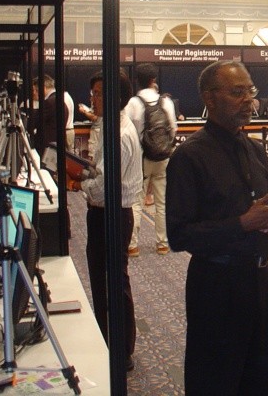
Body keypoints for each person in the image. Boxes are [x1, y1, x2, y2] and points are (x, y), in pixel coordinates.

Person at [166, 61, 268, 395]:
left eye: (250, 91)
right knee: (215, 381)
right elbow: (179, 234)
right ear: (210, 99)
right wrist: (242, 224)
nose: (248, 100)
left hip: (260, 281)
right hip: (216, 287)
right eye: (237, 93)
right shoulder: (189, 157)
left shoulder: (254, 149)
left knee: (256, 377)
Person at [65, 70, 141, 371]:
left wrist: (76, 182)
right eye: (93, 93)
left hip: (111, 215)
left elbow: (102, 187)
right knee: (106, 281)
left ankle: (120, 351)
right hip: (107, 214)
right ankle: (109, 342)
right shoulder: (112, 126)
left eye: (98, 94)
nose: (93, 99)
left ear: (116, 97)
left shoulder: (119, 134)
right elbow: (101, 174)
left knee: (112, 283)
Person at [124, 63, 178, 257]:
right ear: (153, 79)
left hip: (141, 158)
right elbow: (173, 129)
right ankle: (162, 244)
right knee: (161, 202)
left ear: (136, 80)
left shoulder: (133, 103)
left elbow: (128, 131)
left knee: (136, 202)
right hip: (163, 158)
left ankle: (132, 245)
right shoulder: (166, 102)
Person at [27, 75, 68, 156]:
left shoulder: (49, 102)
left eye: (36, 90)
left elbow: (34, 122)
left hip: (47, 147)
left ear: (43, 88)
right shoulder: (58, 100)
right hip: (55, 145)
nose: (34, 93)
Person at [64, 89, 75, 153]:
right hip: (69, 130)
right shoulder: (68, 97)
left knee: (69, 154)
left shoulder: (64, 98)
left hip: (67, 130)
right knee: (70, 153)